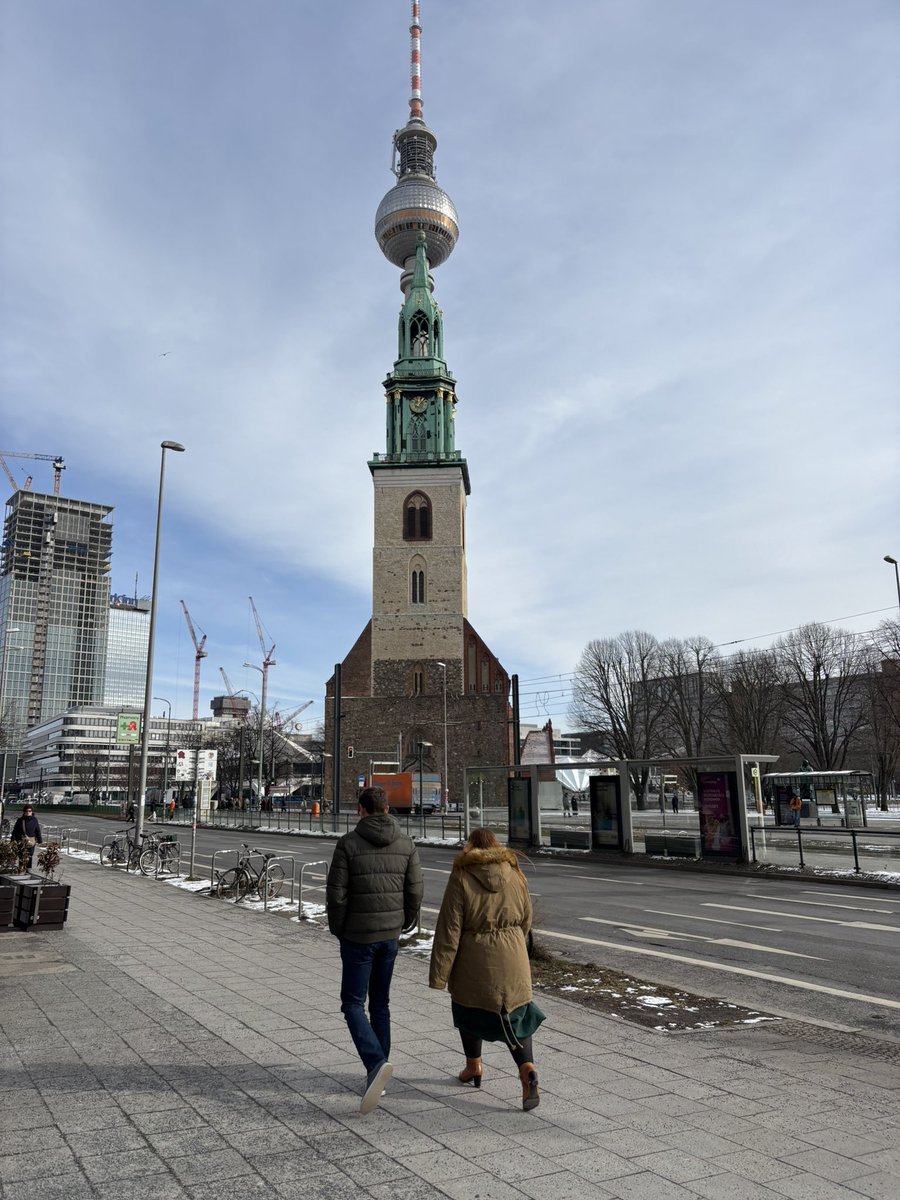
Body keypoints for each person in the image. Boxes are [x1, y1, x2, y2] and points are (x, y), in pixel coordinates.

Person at [429, 828, 544, 1112]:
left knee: (468, 1010)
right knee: (516, 1015)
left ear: (470, 847)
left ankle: (474, 1067)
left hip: (474, 958)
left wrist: (439, 975)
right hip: (513, 952)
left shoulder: (462, 875)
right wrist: (513, 940)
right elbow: (527, 917)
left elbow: (449, 928)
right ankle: (526, 1067)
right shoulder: (515, 871)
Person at [326, 785, 423, 1114]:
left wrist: (339, 928)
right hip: (390, 936)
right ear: (387, 809)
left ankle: (375, 1063)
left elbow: (336, 894)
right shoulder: (406, 843)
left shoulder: (348, 844)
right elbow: (415, 890)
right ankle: (377, 1074)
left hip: (358, 936)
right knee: (380, 1003)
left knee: (352, 1004)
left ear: (362, 810)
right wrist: (406, 921)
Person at [12, 803, 43, 871]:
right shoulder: (20, 820)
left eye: (30, 811)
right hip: (21, 841)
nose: (28, 812)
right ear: (24, 812)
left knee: (30, 855)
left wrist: (40, 840)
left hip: (31, 841)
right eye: (26, 811)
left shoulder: (34, 820)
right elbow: (15, 831)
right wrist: (13, 840)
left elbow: (37, 830)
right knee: (21, 855)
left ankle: (28, 870)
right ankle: (21, 869)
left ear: (32, 812)